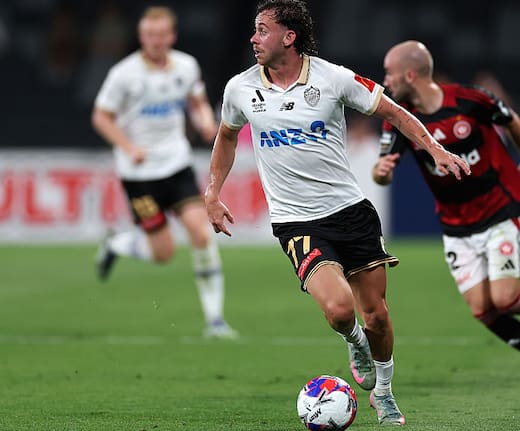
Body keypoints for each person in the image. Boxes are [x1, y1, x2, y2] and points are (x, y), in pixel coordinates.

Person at [204, 0, 470, 425]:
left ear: (289, 37)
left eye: (262, 30)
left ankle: (383, 390)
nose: (253, 38)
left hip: (350, 212)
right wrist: (212, 192)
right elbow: (226, 137)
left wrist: (435, 148)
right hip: (295, 221)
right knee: (341, 311)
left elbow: (395, 112)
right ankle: (353, 341)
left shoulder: (333, 78)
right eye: (254, 30)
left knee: (377, 315)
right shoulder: (240, 89)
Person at [373, 40, 520, 392]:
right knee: (483, 309)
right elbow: (382, 171)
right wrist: (383, 171)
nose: (385, 79)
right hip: (455, 225)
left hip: (497, 211)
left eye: (389, 72)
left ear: (410, 73)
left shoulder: (470, 99)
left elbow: (511, 120)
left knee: (506, 299)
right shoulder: (400, 117)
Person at [92, 6, 237, 339]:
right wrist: (129, 148)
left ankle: (215, 321)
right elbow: (101, 117)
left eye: (161, 35)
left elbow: (196, 100)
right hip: (138, 175)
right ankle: (116, 244)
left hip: (176, 165)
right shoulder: (123, 74)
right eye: (148, 35)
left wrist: (202, 120)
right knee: (164, 253)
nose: (155, 41)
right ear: (141, 37)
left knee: (201, 234)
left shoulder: (186, 66)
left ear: (171, 36)